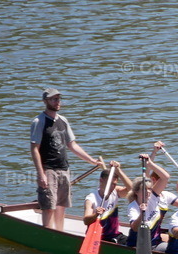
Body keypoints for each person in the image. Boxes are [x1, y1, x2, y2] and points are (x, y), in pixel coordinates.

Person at [29, 88, 102, 230]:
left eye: (58, 99)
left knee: (61, 205)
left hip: (64, 168)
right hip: (48, 169)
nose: (57, 102)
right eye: (53, 99)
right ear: (45, 101)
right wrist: (41, 173)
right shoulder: (39, 121)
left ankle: (59, 232)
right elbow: (34, 149)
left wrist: (91, 160)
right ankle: (48, 232)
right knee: (49, 205)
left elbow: (72, 145)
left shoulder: (63, 120)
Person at [126, 153, 178, 249]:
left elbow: (165, 177)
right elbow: (134, 227)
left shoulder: (153, 197)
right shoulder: (133, 207)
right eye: (144, 189)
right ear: (137, 192)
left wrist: (150, 163)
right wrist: (142, 214)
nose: (148, 192)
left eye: (150, 189)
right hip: (139, 245)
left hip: (156, 242)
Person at [83, 161, 132, 243]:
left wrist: (118, 171)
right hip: (98, 237)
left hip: (115, 235)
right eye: (110, 184)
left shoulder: (116, 191)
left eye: (114, 184)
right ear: (101, 180)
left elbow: (132, 190)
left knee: (136, 242)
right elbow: (86, 221)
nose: (112, 187)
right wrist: (96, 214)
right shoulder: (91, 199)